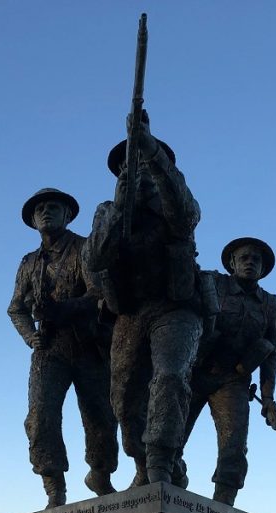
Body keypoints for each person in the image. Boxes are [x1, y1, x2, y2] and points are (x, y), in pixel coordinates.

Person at [82, 114, 211, 486]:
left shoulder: (173, 204)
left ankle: (161, 462)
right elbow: (94, 259)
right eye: (126, 164)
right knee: (122, 398)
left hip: (175, 309)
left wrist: (150, 148)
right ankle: (144, 461)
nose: (132, 168)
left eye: (141, 162)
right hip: (131, 312)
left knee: (169, 377)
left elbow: (188, 215)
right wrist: (122, 208)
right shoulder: (108, 211)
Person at [8, 188, 118, 508]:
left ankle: (101, 475)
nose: (45, 212)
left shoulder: (85, 249)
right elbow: (15, 308)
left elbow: (100, 294)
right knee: (40, 416)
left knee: (100, 417)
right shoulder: (29, 263)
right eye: (39, 209)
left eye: (53, 207)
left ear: (68, 215)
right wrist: (30, 336)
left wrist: (64, 309)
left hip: (89, 344)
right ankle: (54, 486)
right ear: (32, 220)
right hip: (50, 348)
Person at [175, 237, 276, 505]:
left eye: (256, 260)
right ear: (232, 263)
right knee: (171, 435)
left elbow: (273, 353)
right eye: (244, 258)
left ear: (263, 268)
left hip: (233, 380)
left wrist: (268, 398)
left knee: (234, 443)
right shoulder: (211, 282)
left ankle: (224, 505)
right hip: (195, 371)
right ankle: (173, 480)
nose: (250, 262)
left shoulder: (269, 304)